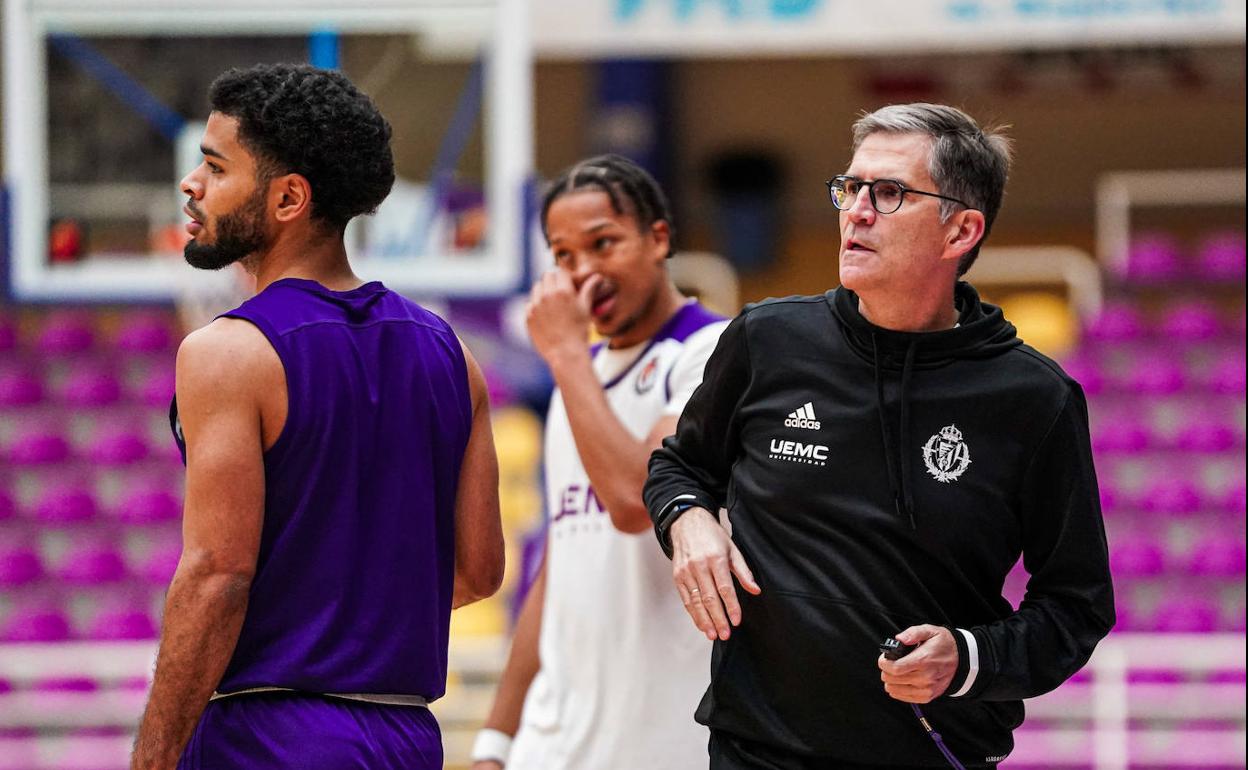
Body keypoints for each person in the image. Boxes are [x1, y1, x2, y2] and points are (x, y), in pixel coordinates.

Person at [644, 103, 1114, 770]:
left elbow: (1077, 607)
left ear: (962, 230)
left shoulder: (1033, 400)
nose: (856, 211)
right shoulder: (766, 341)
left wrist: (969, 658)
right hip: (755, 751)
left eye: (889, 193)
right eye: (850, 187)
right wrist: (687, 522)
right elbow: (678, 468)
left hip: (934, 753)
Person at [130, 63, 505, 770]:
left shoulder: (227, 352)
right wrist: (352, 623)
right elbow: (480, 570)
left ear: (288, 198)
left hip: (269, 733)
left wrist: (152, 759)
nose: (191, 185)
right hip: (405, 738)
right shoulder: (452, 355)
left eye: (213, 167)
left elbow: (216, 575)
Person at [470, 155, 729, 770]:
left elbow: (635, 502)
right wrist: (495, 743)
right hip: (553, 740)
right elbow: (558, 571)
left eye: (602, 243)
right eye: (563, 256)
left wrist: (565, 354)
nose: (584, 272)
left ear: (658, 238)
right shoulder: (574, 387)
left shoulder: (713, 353)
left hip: (664, 740)